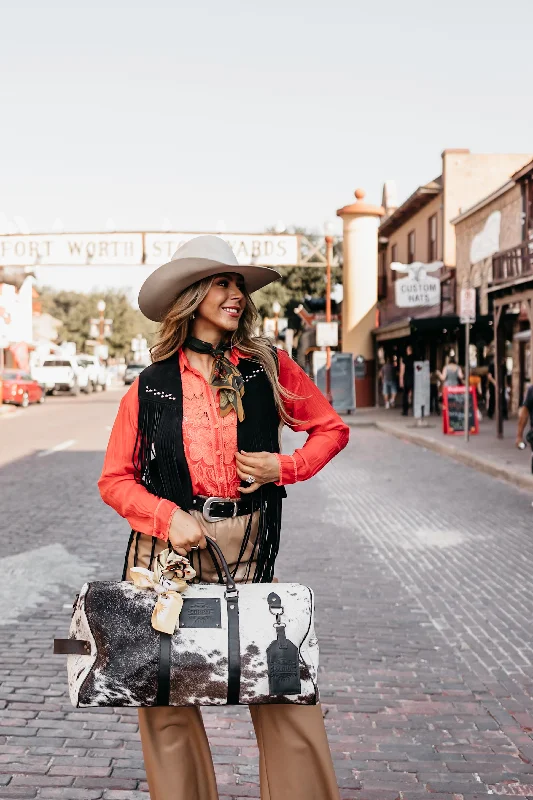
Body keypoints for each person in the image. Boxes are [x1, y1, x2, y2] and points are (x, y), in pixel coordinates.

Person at [98, 235, 349, 800]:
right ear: (190, 296)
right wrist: (166, 517)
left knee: (280, 682)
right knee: (165, 693)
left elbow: (331, 428)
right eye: (221, 281)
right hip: (167, 554)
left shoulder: (268, 366)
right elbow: (115, 479)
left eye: (238, 284)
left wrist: (286, 466)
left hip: (249, 544)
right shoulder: (150, 385)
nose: (235, 293)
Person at [400, 344, 414, 416]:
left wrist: (401, 380)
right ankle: (415, 410)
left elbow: (402, 370)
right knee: (415, 395)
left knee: (405, 395)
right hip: (415, 379)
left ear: (408, 350)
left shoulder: (405, 359)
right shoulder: (415, 358)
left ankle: (405, 411)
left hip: (407, 379)